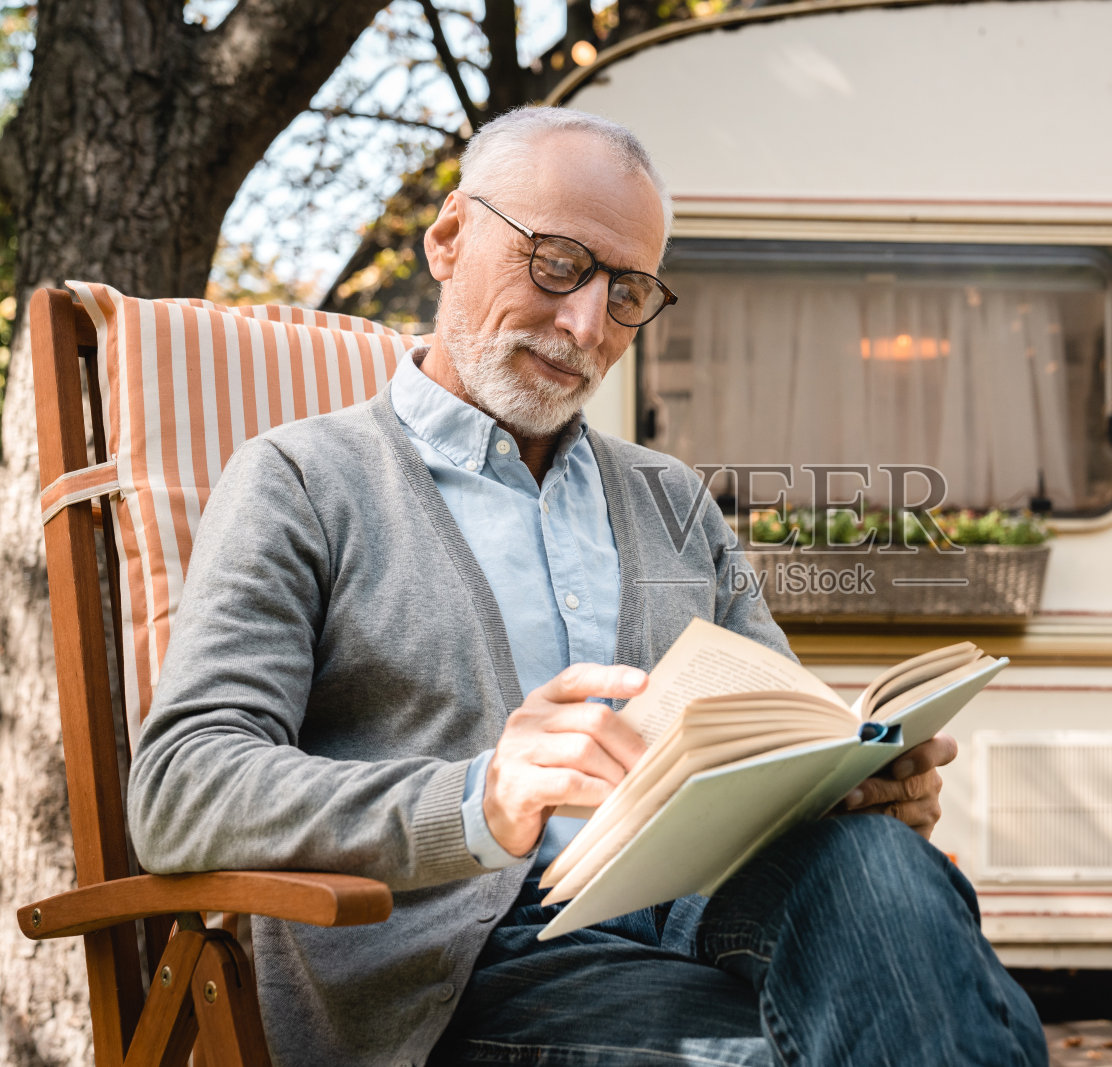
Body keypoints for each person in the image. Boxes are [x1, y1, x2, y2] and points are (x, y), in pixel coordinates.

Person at [127, 106, 1048, 1067]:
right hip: (460, 961)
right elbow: (182, 789)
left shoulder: (671, 499)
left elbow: (781, 737)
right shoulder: (304, 479)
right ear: (448, 239)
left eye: (627, 293)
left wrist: (854, 783)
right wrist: (478, 797)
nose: (585, 325)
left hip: (694, 900)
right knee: (953, 1028)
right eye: (558, 264)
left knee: (886, 873)